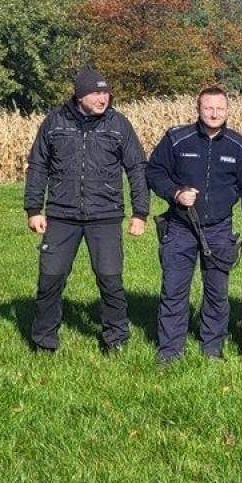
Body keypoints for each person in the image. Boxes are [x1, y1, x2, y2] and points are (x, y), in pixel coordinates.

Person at [23, 67, 148, 354]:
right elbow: (38, 165)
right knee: (50, 278)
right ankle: (44, 341)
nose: (103, 98)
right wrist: (33, 209)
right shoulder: (54, 123)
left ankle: (115, 339)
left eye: (105, 92)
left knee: (110, 278)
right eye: (96, 92)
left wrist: (140, 213)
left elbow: (137, 169)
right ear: (80, 95)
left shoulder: (119, 125)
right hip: (61, 215)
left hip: (105, 214)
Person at [147, 86, 242, 364]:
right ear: (198, 109)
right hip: (180, 228)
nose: (214, 114)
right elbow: (153, 171)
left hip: (219, 230)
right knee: (174, 291)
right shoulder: (177, 139)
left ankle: (212, 348)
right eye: (208, 108)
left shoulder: (239, 146)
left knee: (217, 293)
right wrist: (175, 192)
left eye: (220, 109)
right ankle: (169, 353)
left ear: (227, 110)